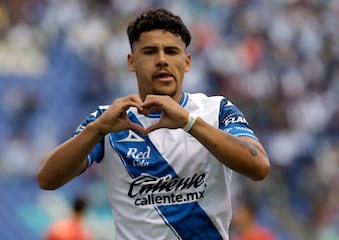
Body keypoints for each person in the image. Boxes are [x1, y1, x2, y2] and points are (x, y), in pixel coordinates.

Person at [36, 8, 270, 240]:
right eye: (149, 52)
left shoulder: (215, 110)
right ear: (132, 61)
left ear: (187, 61)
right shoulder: (109, 121)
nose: (161, 60)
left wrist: (188, 123)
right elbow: (47, 179)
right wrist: (95, 129)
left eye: (171, 51)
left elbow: (258, 166)